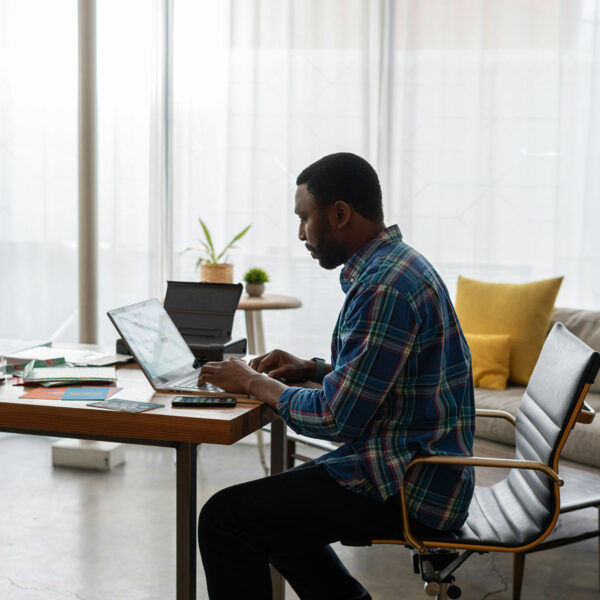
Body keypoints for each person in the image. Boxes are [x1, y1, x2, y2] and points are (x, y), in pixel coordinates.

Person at [197, 152, 475, 599]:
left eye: (304, 218)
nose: (300, 233)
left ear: (340, 213)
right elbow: (387, 380)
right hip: (416, 465)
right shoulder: (398, 266)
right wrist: (312, 369)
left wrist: (254, 383)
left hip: (412, 486)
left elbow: (336, 419)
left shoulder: (383, 287)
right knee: (272, 514)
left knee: (225, 519)